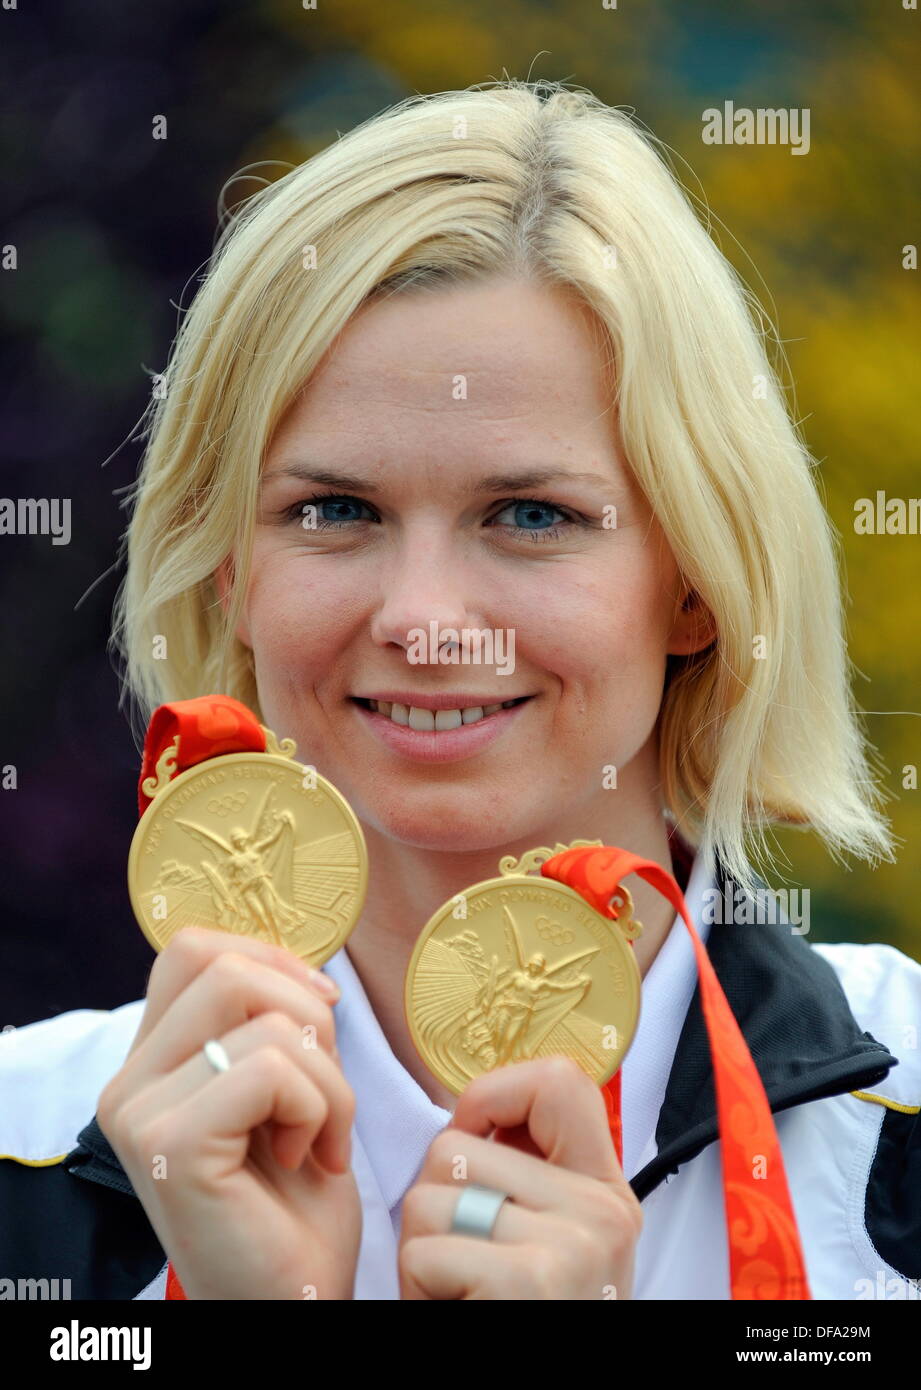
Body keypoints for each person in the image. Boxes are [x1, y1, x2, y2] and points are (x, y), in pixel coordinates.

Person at [1, 78, 919, 1301]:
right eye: (334, 511)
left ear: (699, 578)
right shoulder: (24, 1151)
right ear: (231, 573)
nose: (424, 623)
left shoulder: (898, 1118)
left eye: (530, 515)